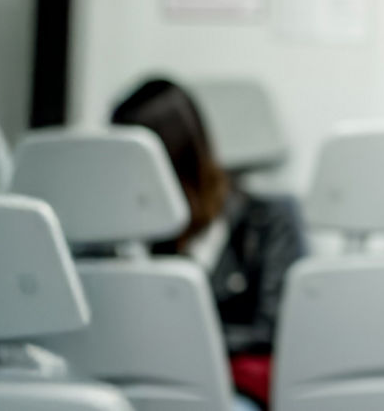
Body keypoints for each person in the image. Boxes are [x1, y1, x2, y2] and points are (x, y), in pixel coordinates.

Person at [112, 78, 306, 410]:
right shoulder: (129, 237)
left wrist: (185, 342)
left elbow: (275, 329)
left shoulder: (268, 221)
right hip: (143, 384)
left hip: (229, 390)